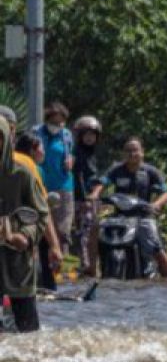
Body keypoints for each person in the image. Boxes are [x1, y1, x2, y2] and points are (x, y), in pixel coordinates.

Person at [88, 136, 167, 279]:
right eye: (128, 150)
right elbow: (103, 182)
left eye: (135, 150)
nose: (132, 154)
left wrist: (156, 204)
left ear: (142, 152)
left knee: (155, 246)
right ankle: (91, 269)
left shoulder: (151, 172)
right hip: (119, 216)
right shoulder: (116, 170)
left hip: (143, 216)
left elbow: (165, 194)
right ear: (123, 153)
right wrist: (95, 194)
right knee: (95, 228)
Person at [0, 113, 51, 332]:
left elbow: (40, 213)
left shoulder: (23, 173)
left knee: (29, 331)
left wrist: (25, 235)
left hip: (16, 257)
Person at [14, 131, 62, 293]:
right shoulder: (30, 165)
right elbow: (41, 205)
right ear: (33, 149)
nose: (44, 151)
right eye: (42, 148)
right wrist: (55, 246)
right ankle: (46, 286)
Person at [35, 102, 74, 269]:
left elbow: (71, 155)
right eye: (53, 122)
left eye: (60, 123)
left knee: (62, 231)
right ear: (47, 120)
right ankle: (40, 267)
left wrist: (71, 161)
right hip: (41, 186)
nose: (56, 126)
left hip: (63, 187)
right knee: (42, 229)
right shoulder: (35, 133)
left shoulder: (66, 135)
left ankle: (60, 267)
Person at [71, 115, 103, 277]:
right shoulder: (76, 153)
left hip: (90, 199)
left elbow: (99, 179)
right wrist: (85, 198)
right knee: (82, 233)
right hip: (80, 199)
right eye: (87, 134)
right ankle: (86, 265)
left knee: (88, 232)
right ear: (80, 135)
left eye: (93, 135)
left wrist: (94, 195)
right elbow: (79, 177)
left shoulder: (94, 155)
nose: (90, 138)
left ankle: (89, 265)